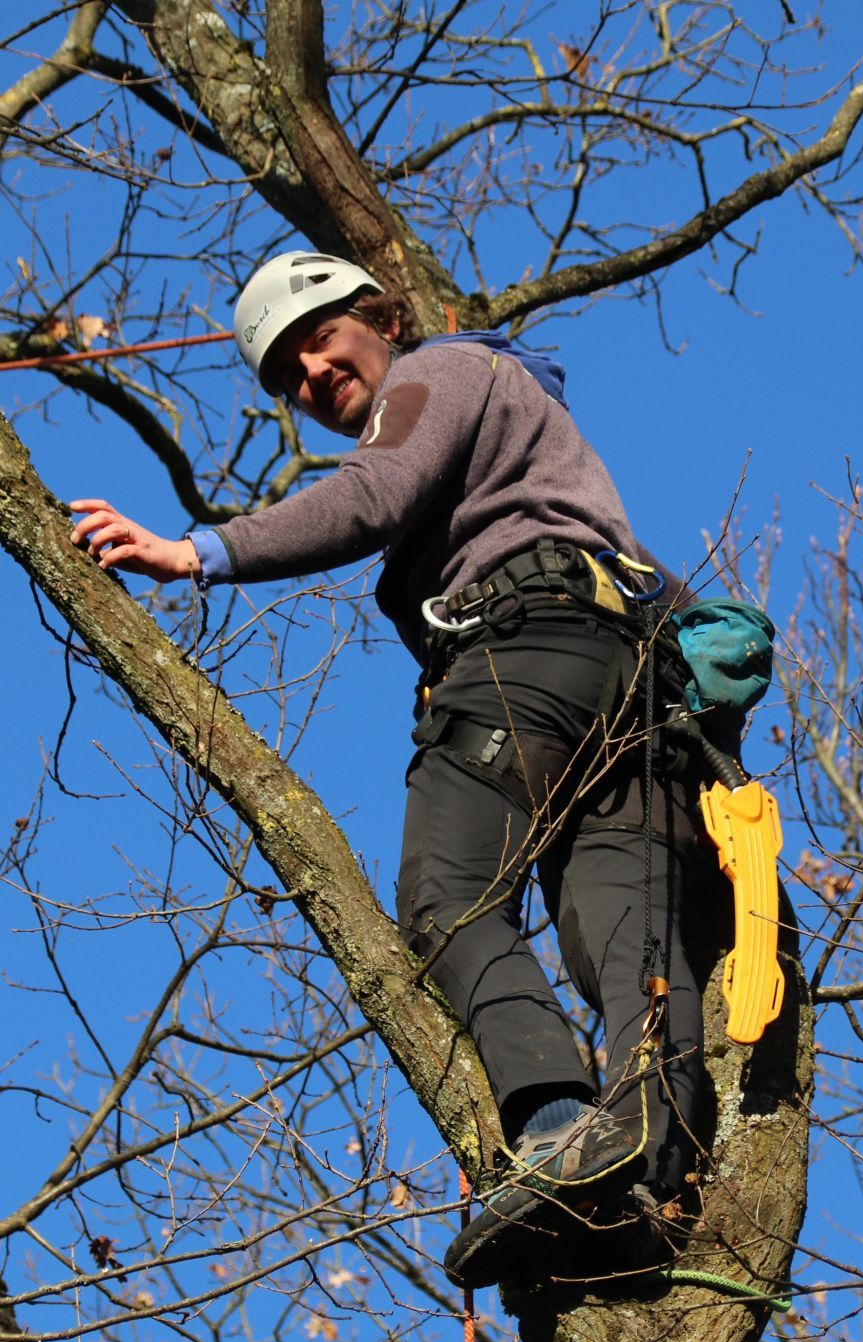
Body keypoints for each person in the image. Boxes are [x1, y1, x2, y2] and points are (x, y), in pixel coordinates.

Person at [70, 250, 710, 1289]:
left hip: (525, 656)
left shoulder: (440, 372)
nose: (311, 374)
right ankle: (648, 1181)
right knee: (618, 934)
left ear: (381, 317)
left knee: (450, 897)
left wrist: (195, 552)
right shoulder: (531, 437)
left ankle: (556, 1127)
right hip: (622, 684)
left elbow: (373, 493)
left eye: (319, 339)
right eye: (288, 374)